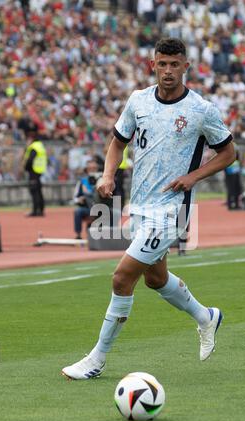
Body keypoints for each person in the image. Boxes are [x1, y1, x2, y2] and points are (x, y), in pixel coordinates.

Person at [62, 38, 235, 380]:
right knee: (155, 279)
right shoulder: (138, 101)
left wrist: (193, 177)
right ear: (153, 65)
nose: (168, 71)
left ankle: (96, 359)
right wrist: (108, 173)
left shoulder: (201, 109)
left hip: (172, 212)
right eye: (162, 64)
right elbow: (117, 142)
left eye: (174, 64)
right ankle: (206, 317)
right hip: (140, 207)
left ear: (186, 66)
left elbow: (229, 153)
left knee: (122, 277)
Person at [23, 126, 47, 217]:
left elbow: (30, 160)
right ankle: (40, 209)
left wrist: (26, 167)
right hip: (39, 170)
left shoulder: (34, 147)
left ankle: (36, 210)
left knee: (34, 191)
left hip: (33, 171)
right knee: (39, 191)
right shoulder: (40, 145)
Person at [73, 159, 99, 239]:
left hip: (101, 208)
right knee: (78, 211)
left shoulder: (102, 180)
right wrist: (80, 199)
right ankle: (78, 234)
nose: (92, 170)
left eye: (94, 168)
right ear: (86, 170)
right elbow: (75, 198)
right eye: (90, 169)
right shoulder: (82, 181)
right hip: (87, 208)